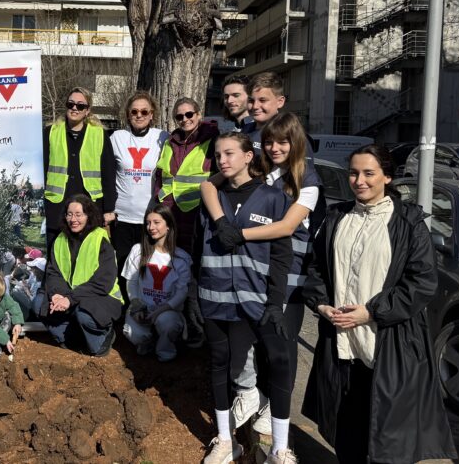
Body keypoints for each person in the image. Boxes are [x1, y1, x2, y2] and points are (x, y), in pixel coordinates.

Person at [302, 145, 456, 464]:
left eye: (369, 173)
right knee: (346, 434)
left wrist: (371, 311)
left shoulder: (409, 222)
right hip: (342, 345)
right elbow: (315, 269)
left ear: (387, 177)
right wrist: (321, 306)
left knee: (389, 441)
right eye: (354, 173)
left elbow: (422, 282)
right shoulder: (336, 217)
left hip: (390, 348)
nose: (359, 180)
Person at [201, 112, 321, 435]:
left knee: (282, 347)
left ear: (297, 142)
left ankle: (273, 411)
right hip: (262, 276)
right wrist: (221, 220)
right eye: (269, 141)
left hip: (291, 278)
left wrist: (239, 234)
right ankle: (256, 396)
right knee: (251, 344)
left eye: (283, 141)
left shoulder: (307, 179)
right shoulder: (264, 173)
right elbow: (210, 185)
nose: (275, 147)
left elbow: (286, 227)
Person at [199, 132, 298, 464]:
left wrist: (276, 300)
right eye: (217, 155)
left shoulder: (273, 198)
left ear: (248, 156)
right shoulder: (212, 195)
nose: (222, 160)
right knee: (219, 365)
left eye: (229, 153)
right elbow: (200, 243)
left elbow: (283, 254)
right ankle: (226, 441)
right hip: (214, 296)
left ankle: (280, 448)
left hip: (257, 298)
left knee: (280, 361)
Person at [41, 194, 123, 356]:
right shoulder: (60, 240)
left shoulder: (100, 239)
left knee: (85, 316)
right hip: (70, 297)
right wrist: (56, 294)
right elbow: (53, 273)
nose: (73, 219)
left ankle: (103, 339)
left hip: (99, 297)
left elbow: (103, 282)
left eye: (79, 214)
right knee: (40, 304)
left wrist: (69, 299)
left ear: (88, 215)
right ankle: (73, 339)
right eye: (69, 214)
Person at [109, 91, 168, 312]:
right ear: (128, 114)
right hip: (122, 216)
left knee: (149, 268)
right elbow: (108, 174)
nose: (139, 115)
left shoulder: (162, 137)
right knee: (123, 267)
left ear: (152, 114)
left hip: (150, 217)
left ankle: (150, 311)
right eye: (134, 111)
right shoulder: (117, 138)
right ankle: (126, 311)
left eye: (144, 111)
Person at [42, 87, 117, 250]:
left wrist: (109, 209)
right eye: (71, 104)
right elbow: (42, 168)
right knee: (56, 261)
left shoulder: (100, 134)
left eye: (80, 105)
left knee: (86, 261)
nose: (75, 108)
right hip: (57, 209)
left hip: (90, 209)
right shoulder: (50, 133)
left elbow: (109, 173)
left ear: (88, 110)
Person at [121, 205, 191, 362]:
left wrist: (160, 311)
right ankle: (147, 342)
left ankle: (165, 349)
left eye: (156, 222)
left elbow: (181, 293)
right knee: (134, 335)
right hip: (142, 308)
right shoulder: (137, 251)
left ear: (168, 226)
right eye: (147, 223)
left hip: (166, 310)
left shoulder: (181, 258)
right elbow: (131, 283)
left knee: (168, 324)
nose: (151, 227)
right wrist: (136, 304)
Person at [154, 96, 218, 254]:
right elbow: (161, 175)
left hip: (197, 211)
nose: (185, 119)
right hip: (169, 210)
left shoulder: (212, 140)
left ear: (198, 114)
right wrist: (159, 200)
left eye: (189, 114)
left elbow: (219, 174)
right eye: (179, 116)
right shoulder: (170, 141)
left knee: (193, 259)